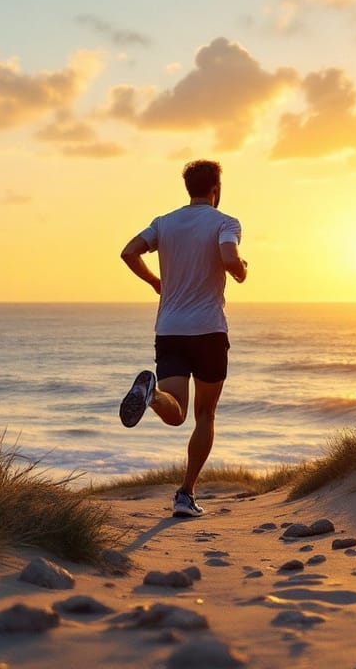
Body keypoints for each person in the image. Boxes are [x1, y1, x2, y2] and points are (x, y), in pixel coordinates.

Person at [119, 159, 248, 518]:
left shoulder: (164, 222)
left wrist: (155, 282)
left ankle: (153, 394)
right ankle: (186, 493)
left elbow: (129, 251)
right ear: (216, 191)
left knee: (175, 413)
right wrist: (240, 271)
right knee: (204, 414)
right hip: (208, 330)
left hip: (170, 330)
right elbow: (228, 255)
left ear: (188, 188)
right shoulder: (226, 223)